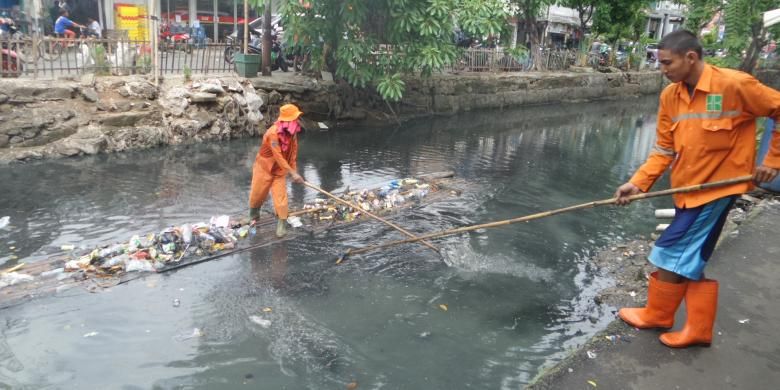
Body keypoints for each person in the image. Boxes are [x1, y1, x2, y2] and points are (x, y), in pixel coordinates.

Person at [614, 29, 780, 348]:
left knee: (671, 251)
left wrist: (773, 159)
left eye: (667, 63)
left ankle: (679, 322)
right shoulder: (670, 97)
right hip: (684, 191)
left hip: (716, 191)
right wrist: (637, 183)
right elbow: (664, 149)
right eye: (659, 63)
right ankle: (667, 317)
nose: (662, 70)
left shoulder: (733, 85)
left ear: (691, 57)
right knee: (685, 256)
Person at [249, 104, 305, 238]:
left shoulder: (292, 134)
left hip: (279, 170)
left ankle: (282, 224)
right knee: (258, 193)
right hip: (264, 167)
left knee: (281, 198)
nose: (296, 121)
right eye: (294, 119)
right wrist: (292, 173)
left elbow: (292, 154)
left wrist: (294, 172)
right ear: (286, 120)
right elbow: (278, 156)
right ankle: (254, 215)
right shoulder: (272, 133)